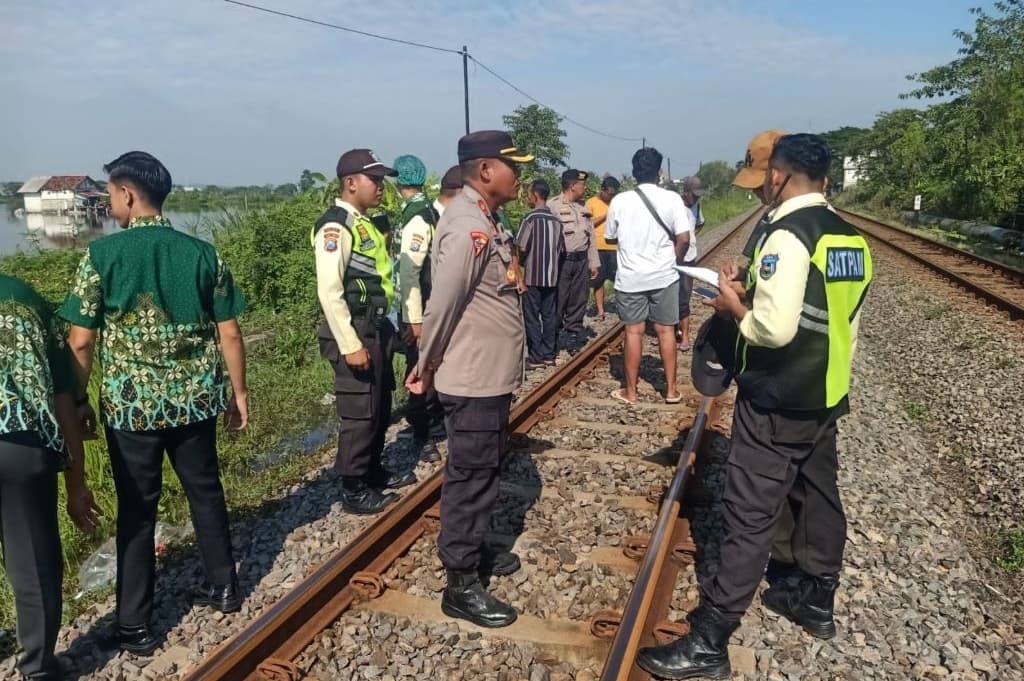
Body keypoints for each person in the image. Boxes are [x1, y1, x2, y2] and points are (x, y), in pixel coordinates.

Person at [636, 134, 872, 680]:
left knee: (748, 512)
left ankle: (710, 641)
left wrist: (732, 305)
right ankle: (815, 600)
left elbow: (772, 327)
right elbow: (836, 316)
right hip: (826, 392)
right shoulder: (849, 238)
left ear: (778, 176)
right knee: (816, 493)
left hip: (777, 397)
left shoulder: (787, 236)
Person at [60, 151, 249, 655]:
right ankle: (224, 586)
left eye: (109, 194)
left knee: (137, 512)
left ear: (126, 194)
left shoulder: (103, 257)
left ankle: (135, 626)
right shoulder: (203, 253)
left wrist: (78, 399)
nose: (108, 203)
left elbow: (80, 341)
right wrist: (239, 392)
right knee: (205, 493)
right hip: (194, 403)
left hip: (133, 411)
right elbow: (229, 331)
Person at [406, 130, 533, 628]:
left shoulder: (484, 218)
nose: (518, 177)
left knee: (483, 469)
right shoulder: (467, 227)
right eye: (512, 167)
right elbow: (444, 304)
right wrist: (426, 363)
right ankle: (460, 582)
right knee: (472, 475)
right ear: (485, 171)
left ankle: (474, 550)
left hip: (488, 373)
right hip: (474, 374)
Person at [1, 274, 100, 680]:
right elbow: (64, 397)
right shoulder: (24, 298)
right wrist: (76, 485)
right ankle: (38, 667)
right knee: (33, 562)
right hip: (22, 445)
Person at [313, 149, 416, 516]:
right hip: (354, 329)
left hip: (375, 326)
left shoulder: (365, 222)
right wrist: (350, 344)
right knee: (359, 411)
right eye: (374, 180)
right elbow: (329, 290)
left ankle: (372, 470)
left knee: (378, 405)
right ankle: (353, 487)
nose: (381, 187)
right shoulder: (335, 225)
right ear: (351, 182)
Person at [605, 146, 693, 405]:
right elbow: (684, 238)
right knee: (666, 331)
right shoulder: (672, 199)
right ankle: (671, 390)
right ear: (659, 173)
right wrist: (673, 260)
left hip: (631, 277)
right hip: (664, 276)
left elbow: (610, 236)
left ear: (633, 173)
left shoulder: (620, 201)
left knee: (633, 332)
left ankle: (631, 392)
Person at [393, 154, 445, 463]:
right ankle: (432, 422)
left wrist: (413, 318)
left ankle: (423, 434)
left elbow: (410, 271)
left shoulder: (416, 217)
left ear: (399, 183)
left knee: (418, 369)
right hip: (426, 305)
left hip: (418, 308)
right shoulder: (428, 212)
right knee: (427, 367)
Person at [516, 179, 564, 368]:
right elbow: (561, 249)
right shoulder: (557, 222)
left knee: (532, 317)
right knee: (549, 316)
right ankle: (549, 355)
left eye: (528, 194)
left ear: (535, 195)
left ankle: (536, 356)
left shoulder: (529, 219)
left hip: (532, 277)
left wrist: (521, 263)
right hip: (552, 277)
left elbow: (521, 245)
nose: (528, 197)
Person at [548, 169, 598, 343]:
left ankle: (573, 334)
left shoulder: (583, 208)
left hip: (581, 260)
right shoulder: (552, 206)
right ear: (572, 186)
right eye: (582, 185)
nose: (584, 188)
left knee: (579, 298)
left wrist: (594, 262)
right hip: (562, 261)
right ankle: (552, 334)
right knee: (558, 298)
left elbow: (591, 237)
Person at [585, 176, 621, 320]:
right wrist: (606, 216)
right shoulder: (591, 203)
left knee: (619, 278)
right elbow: (588, 224)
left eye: (614, 194)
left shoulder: (617, 203)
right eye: (609, 194)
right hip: (597, 248)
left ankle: (621, 306)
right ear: (603, 190)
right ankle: (600, 310)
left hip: (614, 247)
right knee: (598, 281)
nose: (611, 197)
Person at [676, 176, 705, 352]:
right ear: (685, 192)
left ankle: (685, 335)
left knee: (684, 297)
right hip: (673, 257)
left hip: (689, 257)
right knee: (669, 296)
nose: (696, 198)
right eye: (694, 195)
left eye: (698, 196)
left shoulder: (697, 206)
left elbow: (700, 223)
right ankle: (670, 331)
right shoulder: (675, 206)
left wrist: (692, 238)